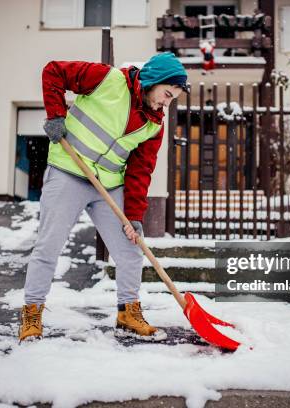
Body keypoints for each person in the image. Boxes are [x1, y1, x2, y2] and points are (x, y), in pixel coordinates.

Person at [19, 52, 188, 342]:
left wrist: (133, 217)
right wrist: (56, 115)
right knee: (48, 247)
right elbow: (54, 71)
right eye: (167, 94)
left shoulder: (153, 125)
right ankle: (32, 314)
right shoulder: (108, 79)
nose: (166, 103)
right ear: (154, 81)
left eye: (172, 99)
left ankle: (128, 313)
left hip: (108, 185)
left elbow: (140, 170)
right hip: (68, 171)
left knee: (131, 249)